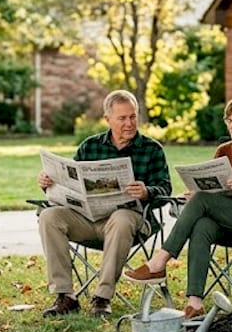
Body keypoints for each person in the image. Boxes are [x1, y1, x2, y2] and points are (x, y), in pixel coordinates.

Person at [124, 92, 232, 319]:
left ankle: (159, 262)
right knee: (202, 225)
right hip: (229, 219)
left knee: (202, 201)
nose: (231, 125)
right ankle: (195, 303)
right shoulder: (225, 150)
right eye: (229, 120)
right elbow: (211, 189)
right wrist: (196, 192)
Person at [37, 90, 172, 317]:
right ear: (107, 119)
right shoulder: (90, 147)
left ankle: (102, 297)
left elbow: (166, 189)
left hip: (129, 222)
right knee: (49, 217)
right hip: (88, 220)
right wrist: (48, 182)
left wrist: (146, 191)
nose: (129, 123)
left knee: (121, 218)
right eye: (122, 118)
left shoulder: (152, 149)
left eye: (133, 117)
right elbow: (71, 183)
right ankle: (65, 296)